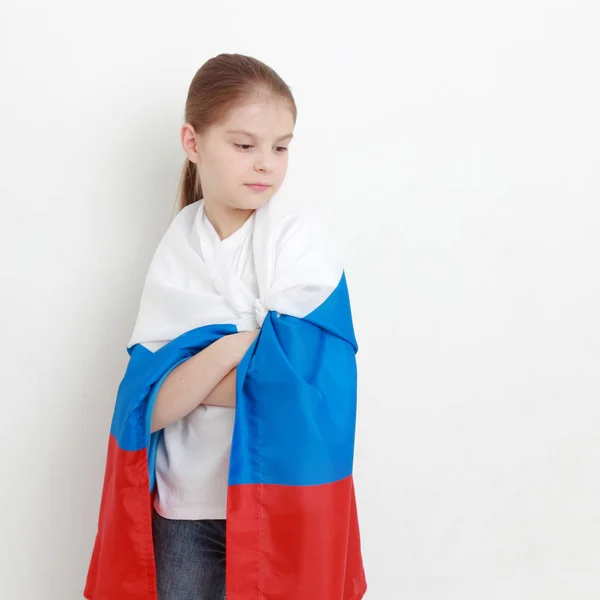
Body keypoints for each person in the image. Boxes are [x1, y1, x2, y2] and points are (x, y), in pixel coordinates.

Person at [150, 53, 296, 600]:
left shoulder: (299, 243)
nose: (266, 164)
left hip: (276, 494)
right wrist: (238, 345)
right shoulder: (176, 250)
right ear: (193, 143)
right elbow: (151, 402)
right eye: (244, 145)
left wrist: (192, 379)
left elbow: (305, 386)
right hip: (185, 504)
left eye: (281, 146)